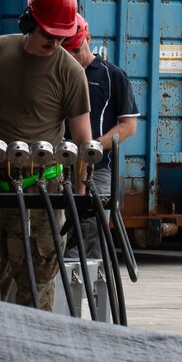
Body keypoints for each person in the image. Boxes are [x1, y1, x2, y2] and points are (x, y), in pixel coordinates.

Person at [0, 0, 93, 310]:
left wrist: (81, 196)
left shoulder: (70, 73)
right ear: (29, 22)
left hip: (41, 192)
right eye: (49, 34)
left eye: (62, 36)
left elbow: (84, 143)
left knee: (35, 284)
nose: (55, 42)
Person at [60, 18, 138, 261]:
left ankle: (86, 286)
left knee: (91, 226)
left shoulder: (112, 76)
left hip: (98, 168)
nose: (73, 56)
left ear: (88, 39)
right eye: (67, 52)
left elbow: (128, 126)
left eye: (76, 49)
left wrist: (94, 146)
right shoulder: (56, 74)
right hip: (56, 167)